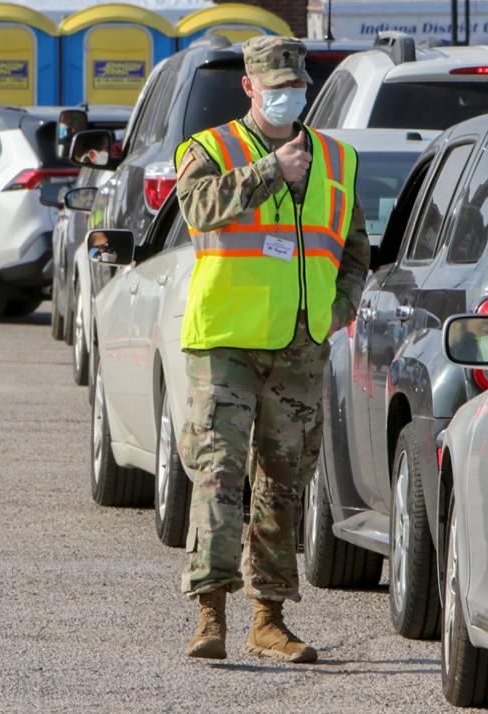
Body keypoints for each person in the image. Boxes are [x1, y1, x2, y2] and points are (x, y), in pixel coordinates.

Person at [174, 36, 370, 663]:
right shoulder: (209, 149)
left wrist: (339, 307)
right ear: (250, 88)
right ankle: (210, 615)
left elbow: (356, 249)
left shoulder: (337, 159)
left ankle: (269, 618)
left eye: (297, 84)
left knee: (285, 481)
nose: (288, 94)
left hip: (299, 346)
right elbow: (197, 208)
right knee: (220, 474)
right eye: (275, 84)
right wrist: (268, 173)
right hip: (227, 341)